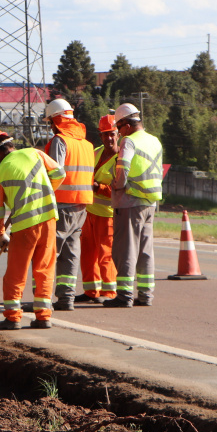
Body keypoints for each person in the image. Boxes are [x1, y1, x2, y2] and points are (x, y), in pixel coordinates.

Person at [0, 129, 65, 330]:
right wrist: (45, 191)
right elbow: (60, 173)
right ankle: (43, 316)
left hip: (24, 226)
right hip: (48, 219)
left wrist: (0, 232)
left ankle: (12, 317)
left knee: (16, 272)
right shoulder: (34, 153)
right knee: (44, 269)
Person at [104, 103, 163, 308]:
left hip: (129, 201)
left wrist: (115, 184)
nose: (118, 133)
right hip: (150, 201)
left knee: (125, 249)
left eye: (118, 128)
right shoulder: (154, 140)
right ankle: (146, 295)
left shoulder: (129, 141)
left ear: (126, 125)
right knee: (145, 251)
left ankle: (124, 295)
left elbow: (122, 171)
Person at [43, 98, 94, 311]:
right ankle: (66, 299)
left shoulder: (60, 141)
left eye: (50, 122)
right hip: (82, 205)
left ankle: (43, 299)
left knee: (49, 252)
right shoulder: (86, 144)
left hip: (62, 204)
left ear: (56, 120)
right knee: (71, 253)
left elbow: (56, 172)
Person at [76, 114, 119, 304]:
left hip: (107, 216)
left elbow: (121, 189)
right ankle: (91, 291)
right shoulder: (96, 152)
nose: (109, 138)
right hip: (89, 213)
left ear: (118, 134)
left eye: (112, 134)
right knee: (87, 253)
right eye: (105, 135)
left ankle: (109, 292)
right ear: (100, 136)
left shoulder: (121, 158)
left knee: (105, 255)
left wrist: (98, 187)